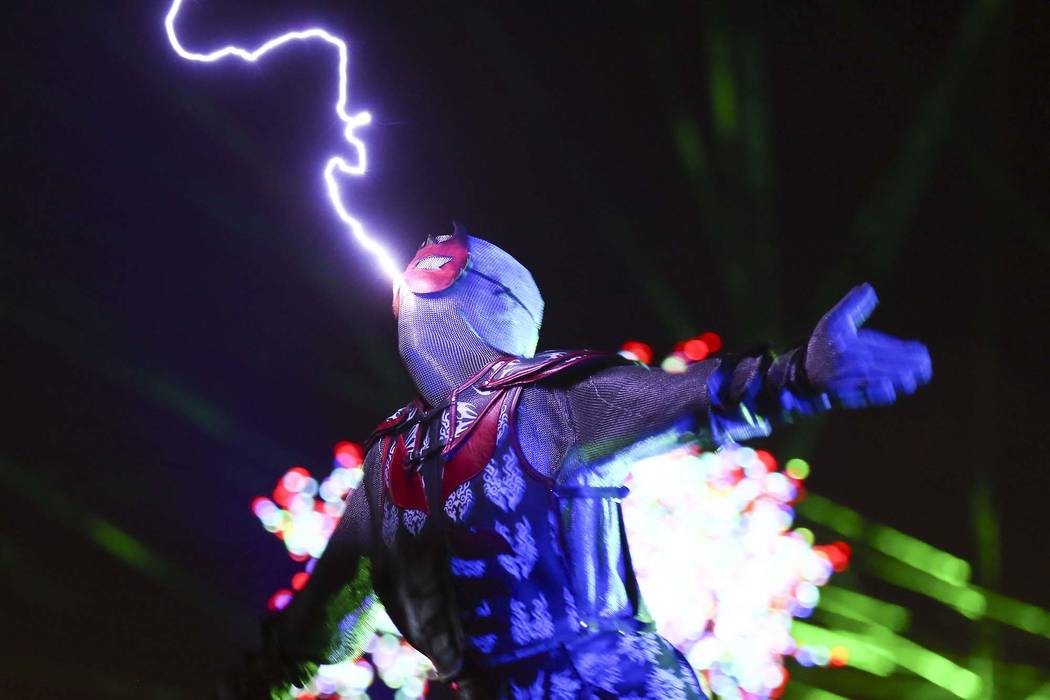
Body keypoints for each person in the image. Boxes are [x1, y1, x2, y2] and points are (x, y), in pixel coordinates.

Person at [230, 223, 931, 699]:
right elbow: (312, 633)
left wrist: (796, 377)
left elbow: (690, 399)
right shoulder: (389, 472)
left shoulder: (543, 402)